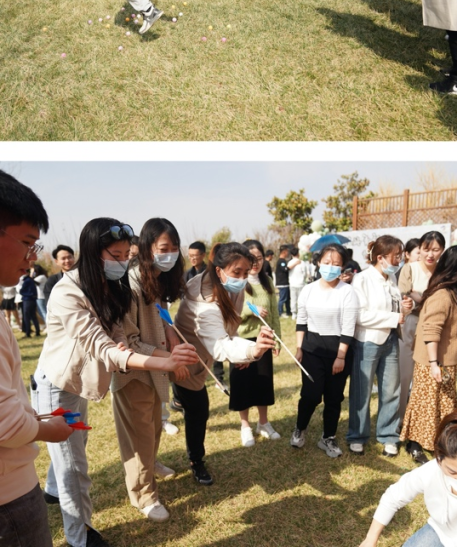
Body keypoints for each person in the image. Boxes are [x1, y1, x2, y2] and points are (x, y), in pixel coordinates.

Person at [33, 218, 199, 547]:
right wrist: (164, 361)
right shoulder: (68, 291)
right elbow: (101, 345)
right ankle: (80, 537)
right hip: (57, 386)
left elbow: (118, 335)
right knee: (73, 465)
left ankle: (52, 491)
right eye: (116, 256)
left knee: (73, 446)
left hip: (81, 382)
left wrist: (129, 347)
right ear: (93, 253)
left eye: (126, 255)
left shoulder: (108, 286)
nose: (123, 263)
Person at [0, 170, 77, 547]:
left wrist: (33, 417)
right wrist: (51, 429)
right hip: (8, 497)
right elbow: (6, 424)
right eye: (28, 243)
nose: (33, 258)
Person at [172, 241, 276, 485]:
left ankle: (179, 401)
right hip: (187, 358)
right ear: (219, 270)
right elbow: (219, 345)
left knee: (196, 407)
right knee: (198, 410)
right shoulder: (203, 299)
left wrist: (240, 352)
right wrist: (251, 350)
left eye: (245, 272)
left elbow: (230, 326)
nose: (242, 278)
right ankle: (196, 461)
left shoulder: (234, 286)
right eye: (236, 272)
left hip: (209, 351)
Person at [109, 218, 186, 523]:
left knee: (153, 427)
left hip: (155, 368)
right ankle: (143, 495)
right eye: (163, 248)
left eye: (174, 248)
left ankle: (150, 466)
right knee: (139, 437)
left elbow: (161, 316)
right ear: (146, 248)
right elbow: (128, 343)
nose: (170, 255)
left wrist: (171, 334)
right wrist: (168, 357)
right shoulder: (130, 284)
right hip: (135, 371)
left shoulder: (155, 279)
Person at [357, 408, 457, 547]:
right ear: (439, 459)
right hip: (443, 532)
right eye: (452, 472)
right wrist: (370, 539)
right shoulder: (432, 470)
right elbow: (394, 496)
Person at [400, 245, 457, 461]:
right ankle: (415, 444)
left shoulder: (451, 293)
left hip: (443, 361)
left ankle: (437, 441)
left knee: (441, 404)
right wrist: (434, 364)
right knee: (424, 404)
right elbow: (431, 330)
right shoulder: (442, 295)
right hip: (433, 361)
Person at [290, 243, 359, 458]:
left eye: (336, 264)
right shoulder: (308, 290)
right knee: (310, 395)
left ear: (343, 267)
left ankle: (328, 437)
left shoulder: (347, 292)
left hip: (339, 351)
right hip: (312, 350)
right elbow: (301, 321)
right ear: (319, 262)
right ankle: (300, 428)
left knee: (334, 398)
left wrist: (341, 356)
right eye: (327, 262)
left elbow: (348, 326)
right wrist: (299, 348)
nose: (330, 267)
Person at [347, 235, 409, 457]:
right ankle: (357, 436)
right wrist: (393, 318)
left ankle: (388, 435)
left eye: (400, 256)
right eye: (396, 257)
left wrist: (405, 307)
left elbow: (394, 308)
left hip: (391, 339)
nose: (399, 261)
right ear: (380, 257)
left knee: (391, 390)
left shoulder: (391, 279)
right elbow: (360, 315)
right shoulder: (362, 279)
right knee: (361, 391)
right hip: (367, 342)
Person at [232, 239, 281, 447]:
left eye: (259, 258)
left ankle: (263, 422)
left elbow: (275, 314)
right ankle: (245, 426)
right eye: (251, 258)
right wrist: (250, 311)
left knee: (263, 382)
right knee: (242, 383)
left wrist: (277, 339)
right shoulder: (236, 283)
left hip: (264, 340)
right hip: (241, 339)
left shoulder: (267, 281)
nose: (255, 263)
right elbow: (231, 312)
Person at [398, 231, 444, 445]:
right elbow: (405, 293)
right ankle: (400, 419)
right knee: (404, 374)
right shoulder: (410, 268)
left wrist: (419, 295)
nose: (430, 254)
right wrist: (427, 298)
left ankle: (424, 423)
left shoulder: (443, 270)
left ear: (442, 250)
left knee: (426, 375)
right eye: (426, 249)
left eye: (436, 250)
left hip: (434, 325)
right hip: (411, 322)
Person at [18, 266, 39, 337]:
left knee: (26, 317)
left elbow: (22, 290)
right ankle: (37, 331)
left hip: (27, 299)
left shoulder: (27, 281)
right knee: (33, 316)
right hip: (33, 300)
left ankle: (28, 333)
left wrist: (22, 292)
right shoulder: (31, 280)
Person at [274, 244, 293, 318]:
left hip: (285, 283)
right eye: (287, 251)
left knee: (287, 299)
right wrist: (294, 264)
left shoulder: (283, 261)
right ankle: (280, 312)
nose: (288, 253)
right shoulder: (281, 261)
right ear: (284, 252)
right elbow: (285, 269)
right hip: (282, 283)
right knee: (282, 298)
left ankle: (288, 311)